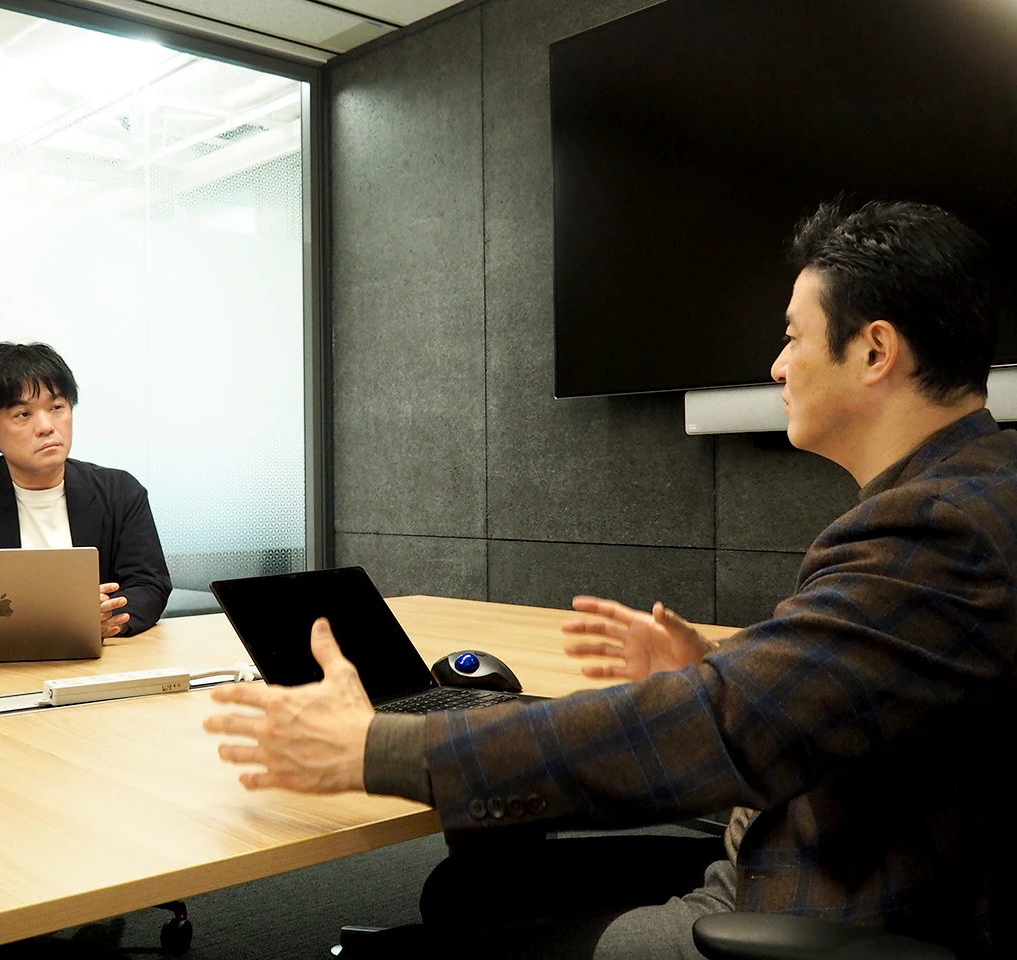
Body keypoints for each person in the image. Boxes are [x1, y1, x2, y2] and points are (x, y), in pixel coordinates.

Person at [204, 201, 1017, 958]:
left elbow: (714, 728)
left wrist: (374, 747)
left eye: (793, 338)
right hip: (840, 844)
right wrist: (720, 671)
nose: (777, 367)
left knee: (442, 932)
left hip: (824, 902)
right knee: (470, 887)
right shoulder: (976, 489)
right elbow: (849, 699)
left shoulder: (937, 532)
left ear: (874, 351)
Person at [0, 342, 171, 637]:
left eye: (56, 408)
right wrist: (59, 617)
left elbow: (149, 584)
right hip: (1, 656)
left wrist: (107, 616)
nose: (46, 426)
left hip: (104, 655)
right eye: (23, 414)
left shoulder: (120, 492)